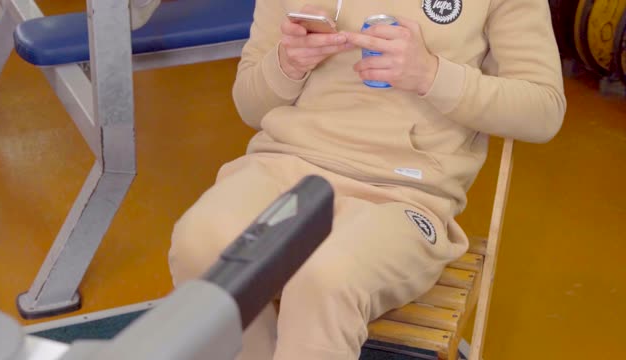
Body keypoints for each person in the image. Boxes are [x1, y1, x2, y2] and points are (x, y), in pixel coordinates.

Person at [168, 0, 566, 359]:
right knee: (199, 244)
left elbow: (543, 110)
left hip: (405, 194)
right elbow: (250, 105)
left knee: (326, 279)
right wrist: (287, 63)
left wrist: (430, 74)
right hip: (285, 165)